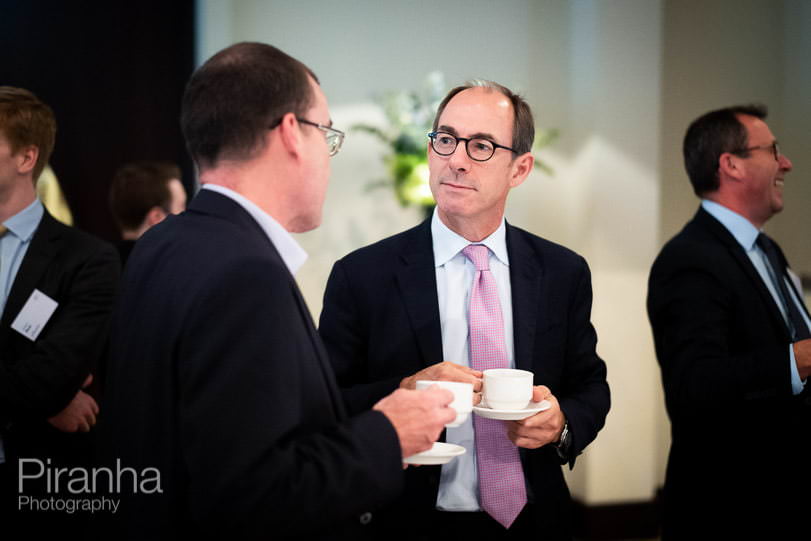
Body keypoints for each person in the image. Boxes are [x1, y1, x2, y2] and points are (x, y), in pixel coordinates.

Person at [100, 42, 455, 540]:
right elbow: (253, 494)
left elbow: (235, 424)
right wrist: (388, 435)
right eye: (328, 134)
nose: (328, 160)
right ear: (293, 133)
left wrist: (392, 399)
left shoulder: (165, 241)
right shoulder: (244, 274)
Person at [319, 80, 610, 539]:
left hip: (536, 519)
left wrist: (563, 423)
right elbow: (326, 402)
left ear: (520, 169)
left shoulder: (561, 271)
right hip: (408, 520)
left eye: (481, 146)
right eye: (447, 140)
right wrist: (404, 388)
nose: (456, 159)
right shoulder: (362, 275)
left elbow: (590, 385)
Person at [647, 104, 811, 539]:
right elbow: (694, 383)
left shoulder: (767, 251)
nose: (786, 163)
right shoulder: (689, 259)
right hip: (729, 508)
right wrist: (799, 359)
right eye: (773, 150)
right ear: (731, 165)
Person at [0, 87, 120, 533]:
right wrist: (39, 399)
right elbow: (40, 390)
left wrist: (47, 395)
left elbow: (53, 378)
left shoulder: (87, 259)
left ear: (26, 158)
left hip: (42, 487)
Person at [108, 161, 187, 263]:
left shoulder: (104, 266)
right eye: (182, 206)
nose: (187, 215)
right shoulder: (171, 269)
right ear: (156, 217)